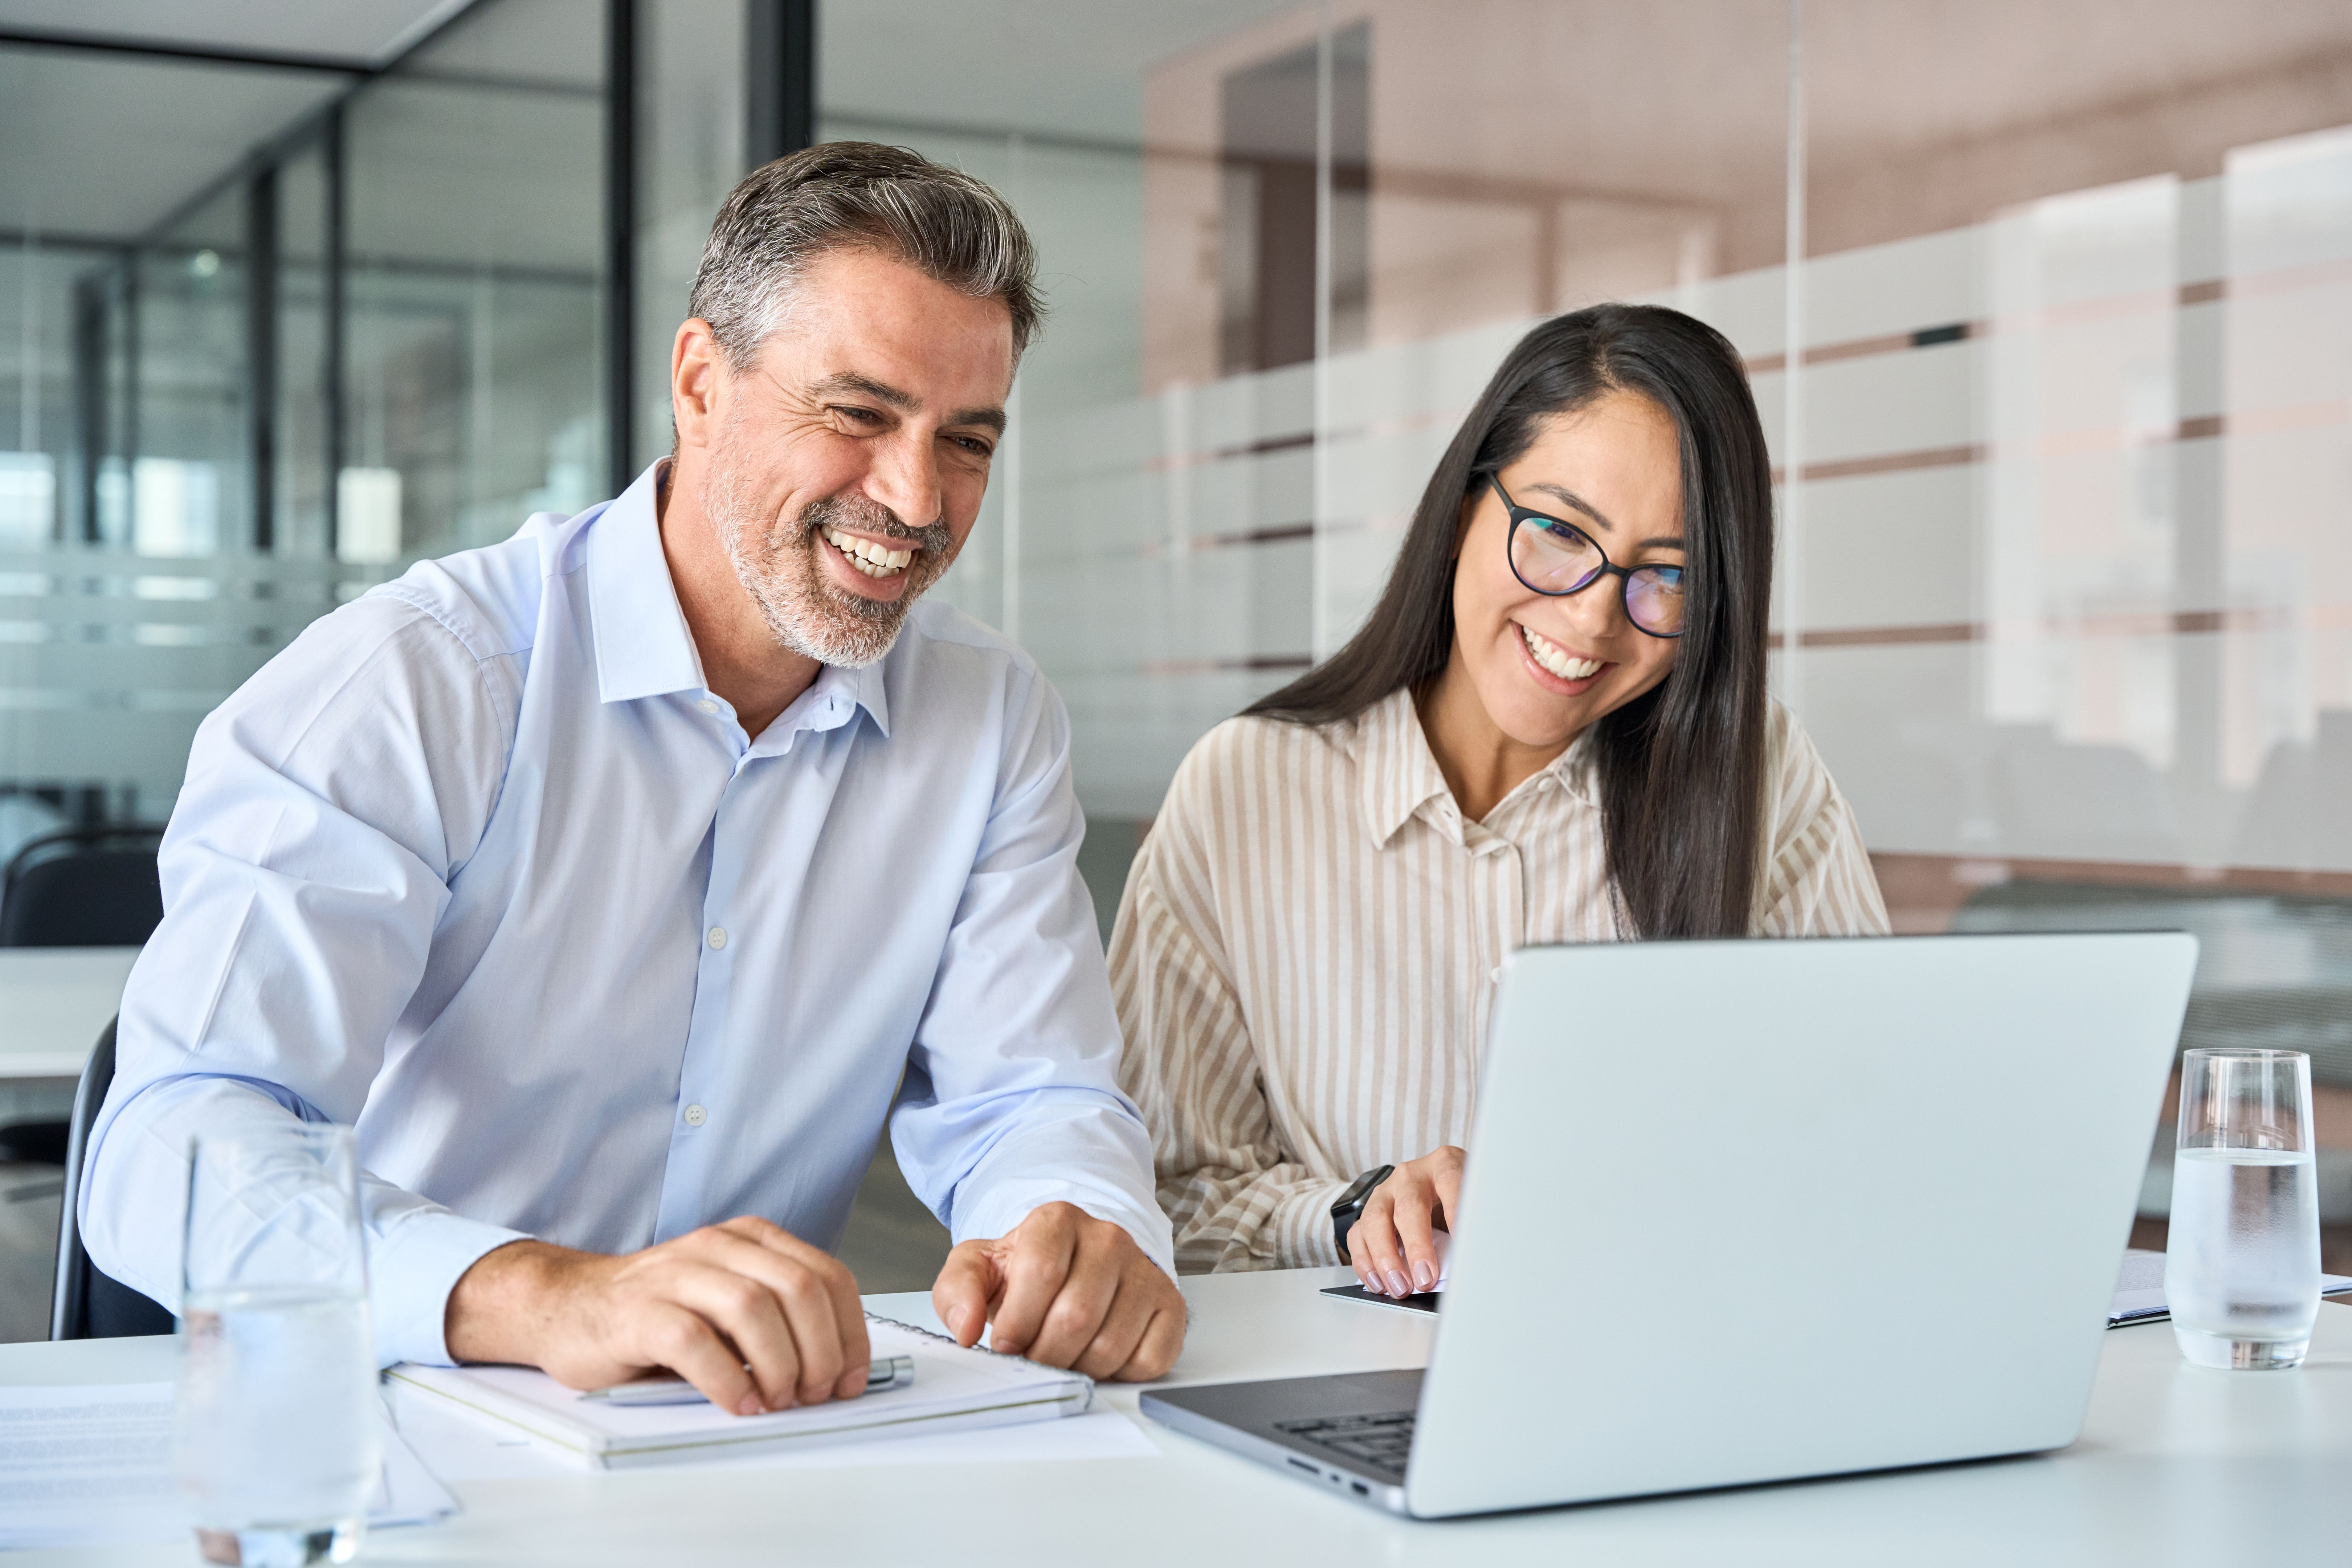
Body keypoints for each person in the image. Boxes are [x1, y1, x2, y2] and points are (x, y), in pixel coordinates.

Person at [82, 143, 1185, 1410]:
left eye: (968, 441)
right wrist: (547, 1294)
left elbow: (1032, 1096)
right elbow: (172, 1147)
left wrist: (1078, 1228)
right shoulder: (420, 680)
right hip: (384, 1416)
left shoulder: (990, 721)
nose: (915, 497)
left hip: (745, 1437)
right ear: (702, 383)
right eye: (859, 414)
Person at [1111, 303, 1888, 1297]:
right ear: (1461, 513)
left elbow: (1860, 1150)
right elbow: (1163, 1205)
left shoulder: (1762, 781)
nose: (1594, 616)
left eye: (1669, 577)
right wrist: (1357, 1213)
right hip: (1355, 1380)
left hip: (1665, 1372)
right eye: (1561, 532)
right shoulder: (1246, 790)